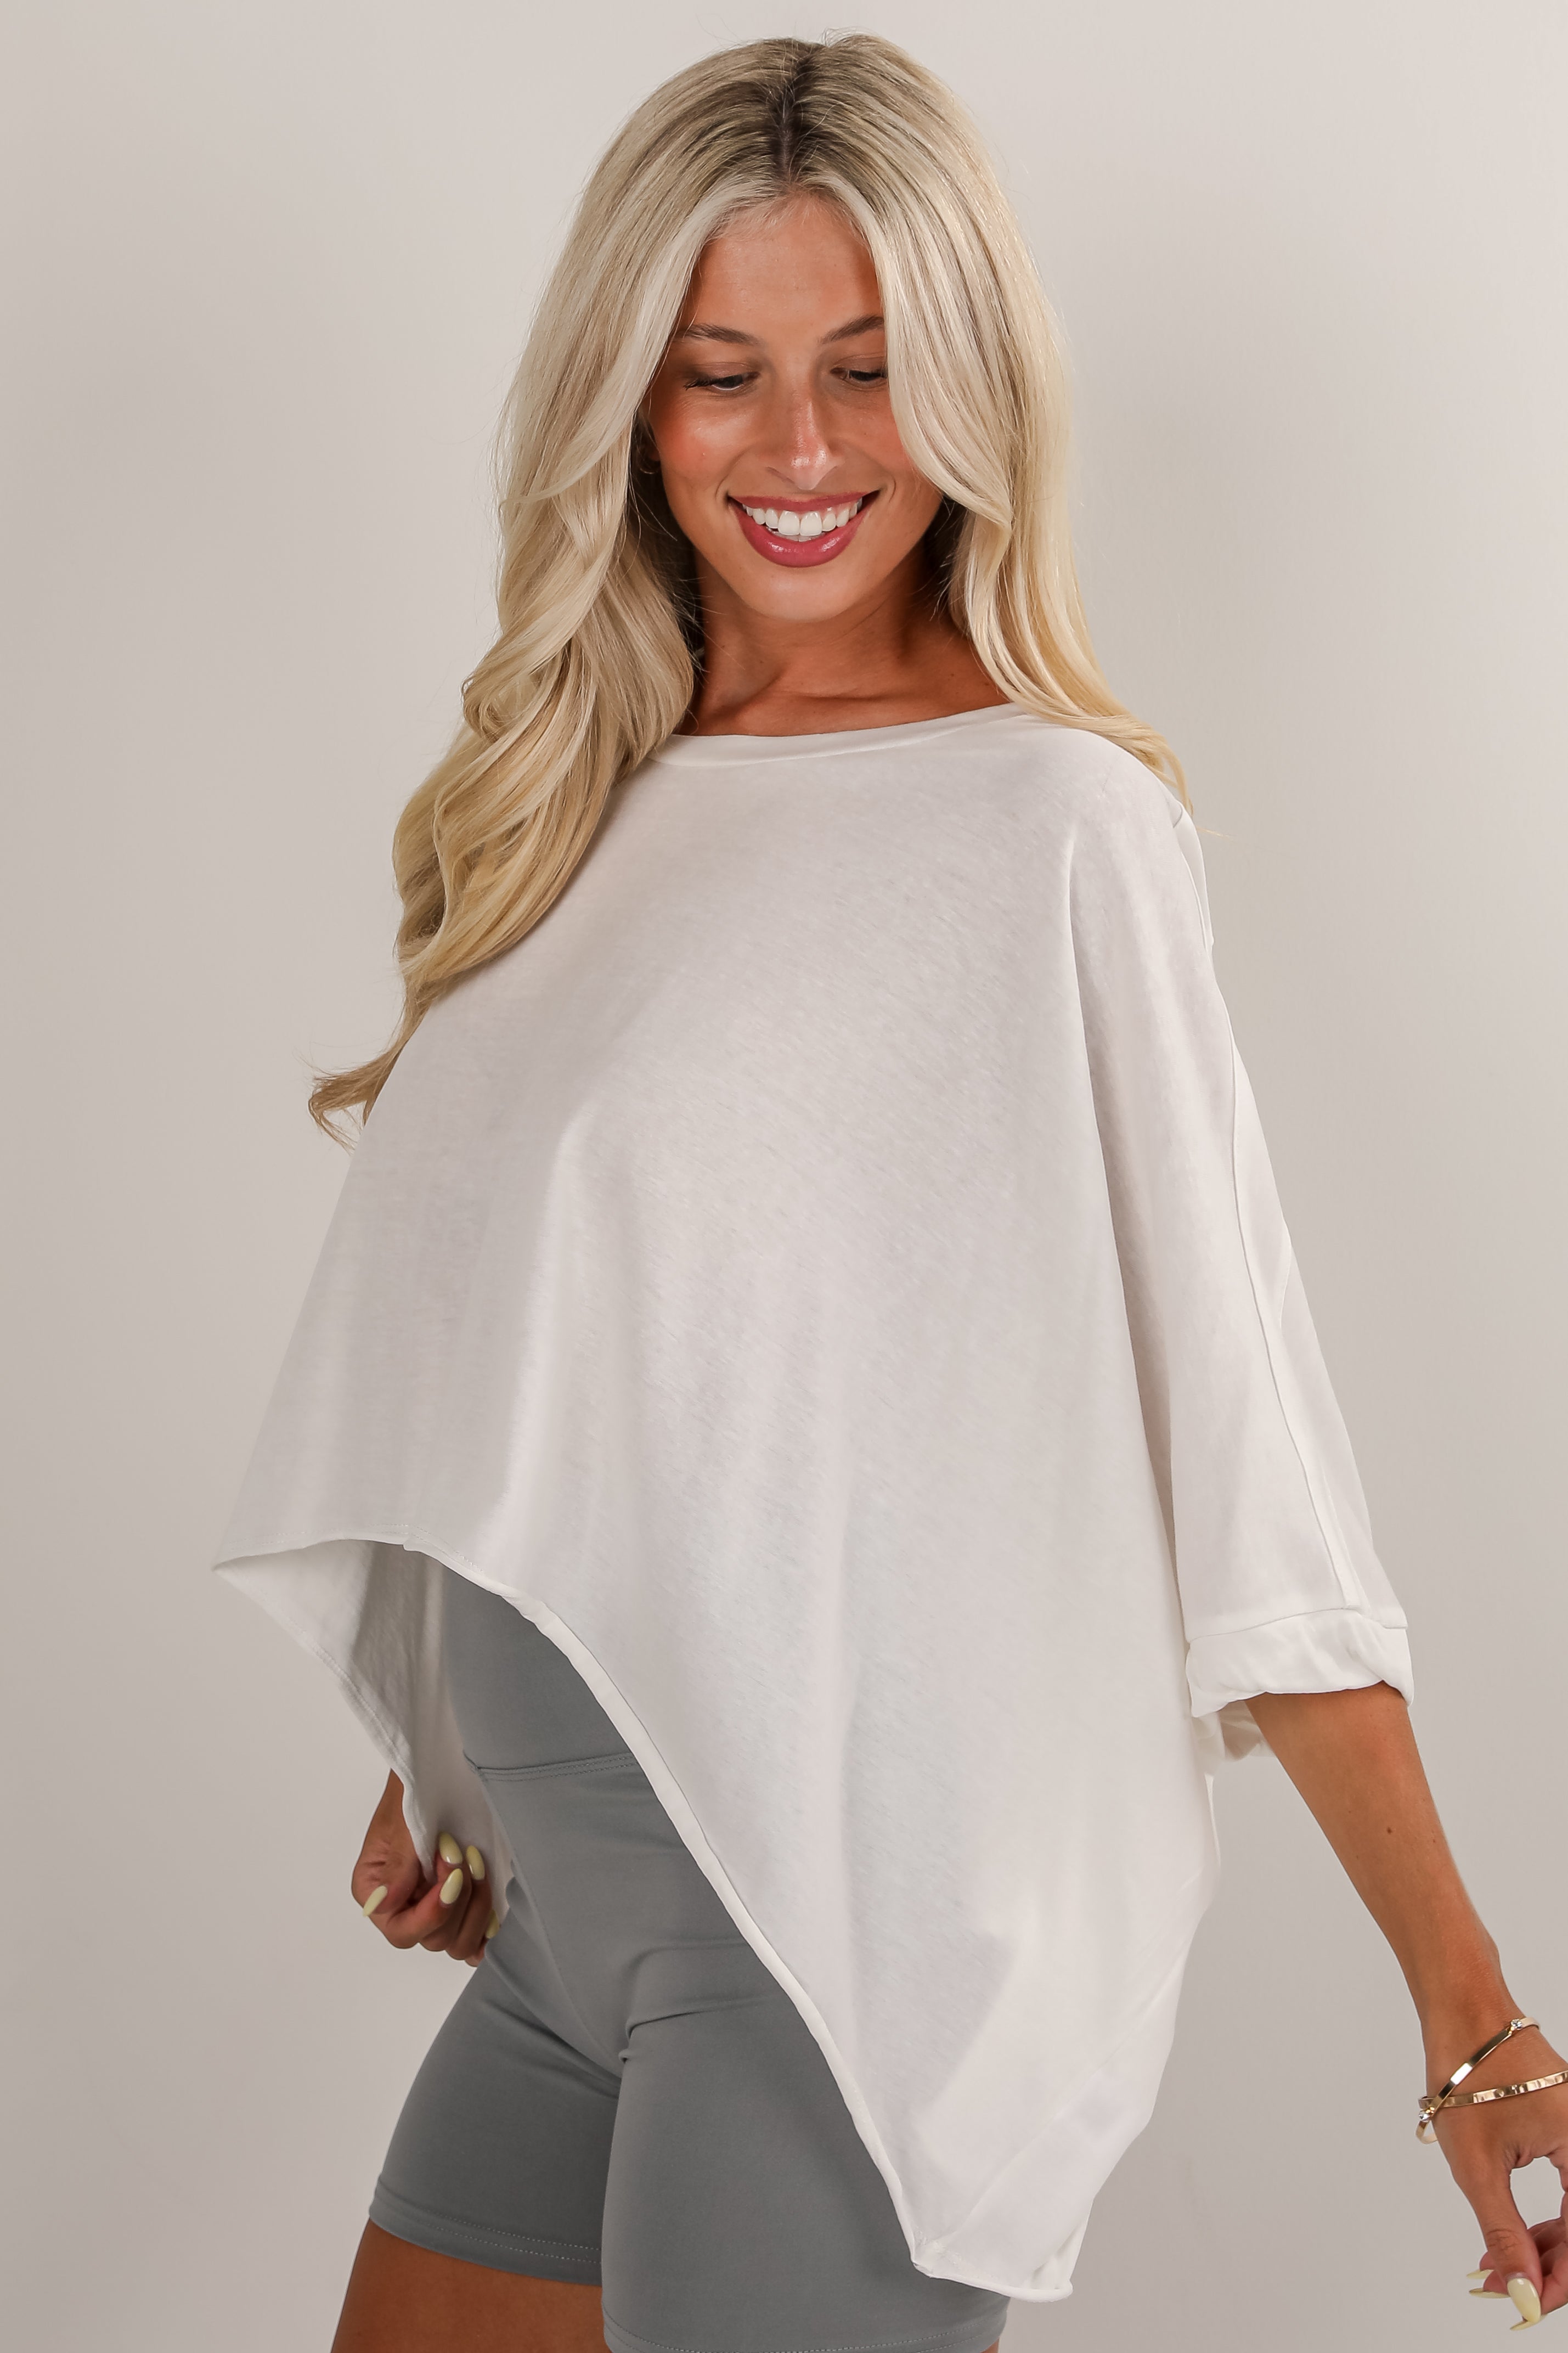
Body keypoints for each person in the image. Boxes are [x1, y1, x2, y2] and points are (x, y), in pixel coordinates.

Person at [215, 32, 1567, 2353]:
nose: (803, 447)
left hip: (825, 1967)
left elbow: (1241, 1449)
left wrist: (1470, 2010)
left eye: (869, 365)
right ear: (628, 399)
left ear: (971, 388)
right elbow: (559, 1348)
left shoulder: (1050, 831)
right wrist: (442, 1746)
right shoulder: (574, 804)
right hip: (554, 1934)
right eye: (720, 371)